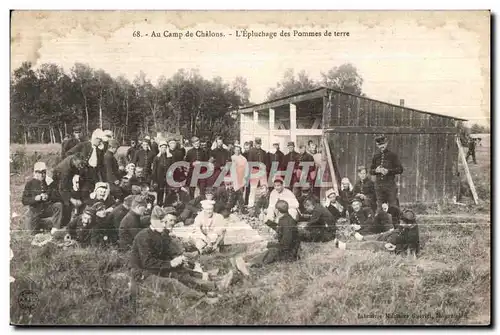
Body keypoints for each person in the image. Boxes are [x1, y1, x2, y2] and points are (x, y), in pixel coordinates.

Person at [130, 206, 234, 295]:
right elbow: (147, 262)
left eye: (165, 221)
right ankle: (209, 291)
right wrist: (170, 263)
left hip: (156, 268)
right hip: (143, 273)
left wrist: (179, 259)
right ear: (153, 221)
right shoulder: (143, 236)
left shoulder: (159, 234)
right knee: (175, 279)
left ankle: (216, 282)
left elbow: (166, 253)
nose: (165, 224)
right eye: (162, 222)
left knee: (182, 271)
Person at [236, 200, 301, 274]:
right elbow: (279, 229)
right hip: (288, 248)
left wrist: (269, 244)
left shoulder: (286, 222)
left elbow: (285, 245)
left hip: (289, 253)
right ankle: (247, 259)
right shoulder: (286, 218)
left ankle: (249, 264)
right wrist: (267, 222)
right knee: (266, 246)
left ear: (277, 210)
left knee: (271, 250)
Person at [335, 209, 420, 257]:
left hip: (396, 247)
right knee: (382, 235)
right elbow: (400, 231)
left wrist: (395, 247)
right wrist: (391, 233)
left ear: (409, 223)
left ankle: (345, 246)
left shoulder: (413, 234)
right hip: (397, 238)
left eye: (402, 223)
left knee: (373, 244)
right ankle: (363, 238)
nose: (401, 224)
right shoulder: (407, 226)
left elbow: (410, 250)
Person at [22, 162, 63, 233]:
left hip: (46, 209)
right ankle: (42, 223)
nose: (43, 175)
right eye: (40, 172)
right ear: (35, 173)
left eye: (44, 172)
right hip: (35, 211)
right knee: (31, 232)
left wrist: (48, 196)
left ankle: (55, 228)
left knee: (58, 205)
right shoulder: (30, 184)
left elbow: (57, 196)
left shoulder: (48, 182)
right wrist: (35, 198)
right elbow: (24, 200)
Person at [51, 153, 87, 227]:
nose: (80, 166)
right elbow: (62, 189)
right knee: (66, 204)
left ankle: (76, 219)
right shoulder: (65, 171)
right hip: (58, 186)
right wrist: (71, 199)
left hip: (68, 182)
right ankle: (64, 225)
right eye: (79, 164)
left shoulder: (74, 159)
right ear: (74, 160)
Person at [66, 128, 106, 194]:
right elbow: (69, 153)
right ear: (95, 138)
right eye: (100, 140)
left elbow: (100, 163)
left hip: (94, 173)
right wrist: (77, 163)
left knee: (96, 190)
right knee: (84, 190)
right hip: (83, 173)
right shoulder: (83, 145)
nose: (100, 142)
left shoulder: (100, 149)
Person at [370, 134, 403, 210]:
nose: (381, 146)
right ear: (377, 145)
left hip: (390, 185)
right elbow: (371, 171)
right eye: (379, 145)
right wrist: (376, 170)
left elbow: (400, 169)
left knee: (393, 207)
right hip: (379, 186)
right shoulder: (375, 156)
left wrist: (388, 171)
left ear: (386, 143)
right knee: (380, 208)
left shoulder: (393, 155)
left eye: (383, 144)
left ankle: (394, 221)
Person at [247, 137, 268, 208]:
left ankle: (263, 204)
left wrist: (264, 166)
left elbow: (266, 163)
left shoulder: (263, 152)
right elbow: (249, 163)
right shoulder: (251, 151)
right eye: (257, 143)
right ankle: (251, 204)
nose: (258, 145)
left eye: (259, 144)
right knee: (253, 188)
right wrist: (257, 165)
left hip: (262, 172)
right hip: (254, 171)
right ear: (255, 144)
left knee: (264, 187)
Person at [152, 140, 169, 206]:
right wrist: (155, 180)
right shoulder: (156, 158)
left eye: (165, 147)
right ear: (160, 148)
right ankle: (159, 204)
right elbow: (154, 170)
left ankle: (167, 205)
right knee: (160, 192)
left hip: (167, 178)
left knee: (168, 191)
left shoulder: (169, 157)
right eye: (162, 147)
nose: (164, 149)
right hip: (159, 178)